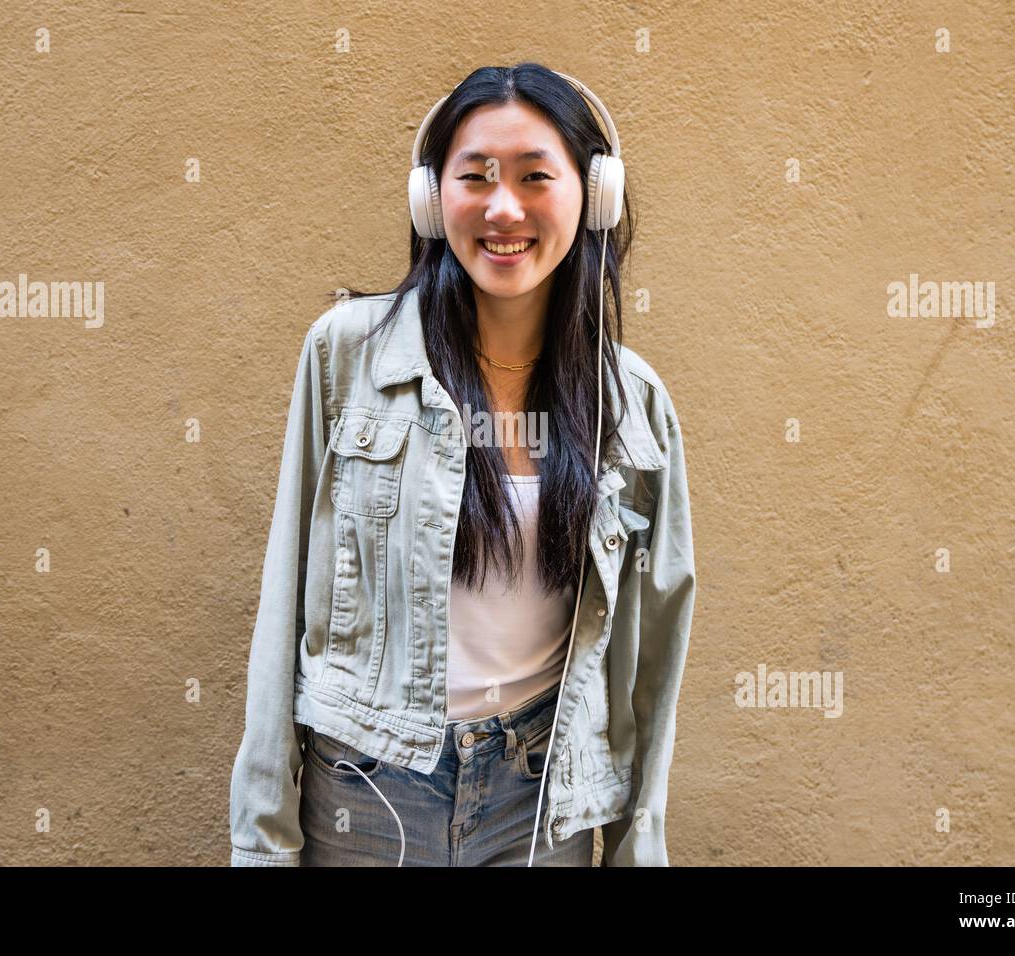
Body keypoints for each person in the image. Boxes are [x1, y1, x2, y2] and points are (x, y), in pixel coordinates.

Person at [230, 62, 696, 867]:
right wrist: (262, 840)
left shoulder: (633, 406)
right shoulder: (349, 355)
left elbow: (654, 651)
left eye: (534, 177)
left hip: (540, 795)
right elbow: (283, 597)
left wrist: (634, 846)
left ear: (595, 195)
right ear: (430, 198)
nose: (503, 207)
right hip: (366, 786)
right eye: (474, 176)